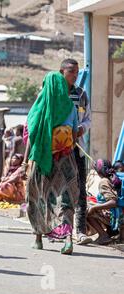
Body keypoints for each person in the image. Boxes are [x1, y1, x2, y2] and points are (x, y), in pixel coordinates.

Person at [24, 71, 80, 255]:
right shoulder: (70, 107)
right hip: (66, 161)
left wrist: (28, 160)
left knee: (38, 197)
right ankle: (68, 239)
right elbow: (74, 135)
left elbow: (31, 137)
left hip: (42, 160)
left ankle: (38, 238)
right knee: (65, 199)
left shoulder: (39, 108)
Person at [59, 58, 92, 246]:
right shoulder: (55, 92)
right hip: (58, 150)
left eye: (77, 72)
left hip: (77, 148)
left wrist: (81, 128)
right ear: (61, 71)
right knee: (60, 188)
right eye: (71, 72)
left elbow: (88, 118)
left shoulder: (81, 94)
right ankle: (60, 228)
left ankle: (80, 231)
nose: (75, 76)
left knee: (79, 189)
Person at [86, 159, 124, 244]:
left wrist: (93, 207)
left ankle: (103, 236)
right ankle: (111, 231)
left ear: (99, 172)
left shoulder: (104, 181)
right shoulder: (115, 177)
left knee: (87, 207)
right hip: (121, 212)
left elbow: (113, 202)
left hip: (117, 216)